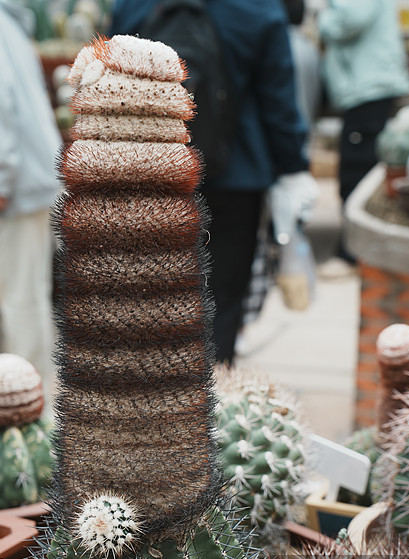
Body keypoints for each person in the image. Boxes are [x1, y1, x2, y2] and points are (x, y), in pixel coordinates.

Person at [110, 0, 313, 364]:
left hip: (154, 174)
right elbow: (279, 105)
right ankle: (209, 400)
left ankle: (153, 397)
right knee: (220, 299)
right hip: (237, 177)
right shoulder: (259, 10)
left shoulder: (133, 6)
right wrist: (293, 168)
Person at [0, 0, 61, 395]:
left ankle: (29, 406)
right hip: (32, 170)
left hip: (17, 179)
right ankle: (41, 399)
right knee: (31, 292)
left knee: (21, 295)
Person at [319, 0, 409, 259]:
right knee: (363, 166)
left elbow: (349, 20)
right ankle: (362, 247)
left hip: (369, 88)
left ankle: (354, 251)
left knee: (357, 170)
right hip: (370, 86)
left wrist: (321, 20)